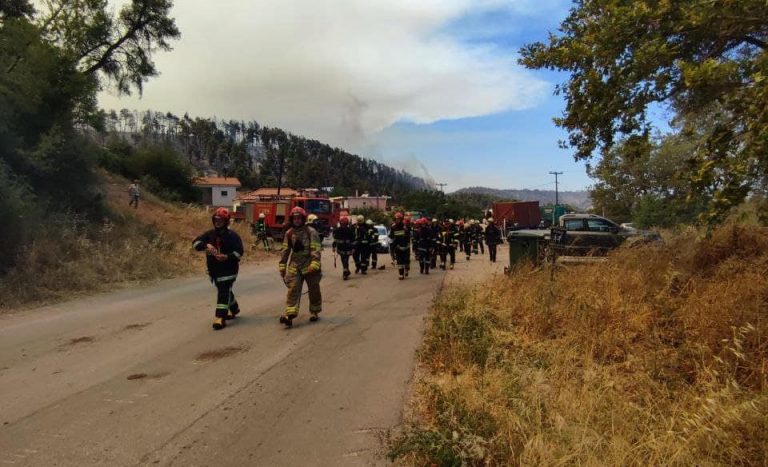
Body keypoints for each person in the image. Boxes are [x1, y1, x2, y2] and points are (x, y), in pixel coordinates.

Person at [193, 207, 244, 330]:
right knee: (225, 290)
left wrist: (226, 257)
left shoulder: (232, 236)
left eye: (220, 220)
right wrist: (206, 245)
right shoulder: (209, 235)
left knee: (223, 291)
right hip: (214, 271)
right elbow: (195, 244)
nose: (217, 222)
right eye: (216, 219)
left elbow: (239, 252)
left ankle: (220, 317)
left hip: (229, 270)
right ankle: (234, 308)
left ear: (226, 221)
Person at [278, 207, 322, 327]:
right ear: (292, 219)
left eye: (299, 218)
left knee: (314, 289)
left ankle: (314, 311)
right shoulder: (289, 233)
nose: (297, 220)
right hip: (295, 266)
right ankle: (290, 315)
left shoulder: (311, 232)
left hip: (310, 266)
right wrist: (282, 267)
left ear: (303, 219)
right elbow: (285, 251)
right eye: (294, 218)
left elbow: (316, 249)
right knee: (293, 290)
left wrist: (314, 264)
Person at [389, 212, 411, 280]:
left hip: (405, 246)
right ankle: (401, 274)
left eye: (399, 219)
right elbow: (391, 236)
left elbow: (409, 235)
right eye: (396, 219)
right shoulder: (393, 227)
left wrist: (406, 232)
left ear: (401, 219)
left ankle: (406, 270)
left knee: (406, 260)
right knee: (399, 261)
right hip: (398, 246)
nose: (397, 220)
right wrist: (393, 242)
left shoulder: (405, 226)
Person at [332, 216, 355, 280]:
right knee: (343, 260)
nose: (343, 225)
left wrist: (353, 248)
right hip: (341, 248)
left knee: (345, 260)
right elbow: (335, 240)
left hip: (348, 248)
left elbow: (353, 240)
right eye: (342, 224)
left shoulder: (350, 231)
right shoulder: (337, 230)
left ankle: (345, 273)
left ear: (346, 224)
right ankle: (346, 271)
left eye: (344, 224)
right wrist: (333, 247)